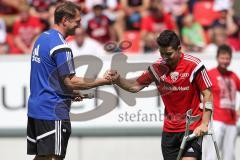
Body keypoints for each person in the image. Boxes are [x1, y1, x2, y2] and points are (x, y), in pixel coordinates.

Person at [27, 2, 117, 160]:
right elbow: (71, 81)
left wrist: (68, 93)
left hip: (36, 108)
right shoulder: (61, 46)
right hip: (52, 112)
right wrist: (103, 81)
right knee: (54, 157)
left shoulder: (42, 38)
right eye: (77, 21)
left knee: (43, 157)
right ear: (65, 20)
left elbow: (49, 76)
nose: (79, 26)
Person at [105, 30, 213, 160]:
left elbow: (207, 94)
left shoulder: (194, 65)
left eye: (169, 54)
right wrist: (118, 79)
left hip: (192, 129)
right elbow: (134, 86)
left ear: (179, 49)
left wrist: (204, 124)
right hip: (169, 131)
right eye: (162, 54)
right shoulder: (157, 67)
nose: (165, 58)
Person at [203, 44, 240, 160]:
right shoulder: (210, 74)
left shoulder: (233, 75)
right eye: (222, 58)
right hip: (216, 121)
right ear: (217, 58)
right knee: (212, 154)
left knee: (230, 155)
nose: (225, 61)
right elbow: (202, 94)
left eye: (227, 58)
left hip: (232, 122)